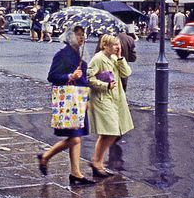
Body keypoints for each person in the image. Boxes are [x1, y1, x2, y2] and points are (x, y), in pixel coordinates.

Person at [36, 25, 95, 186]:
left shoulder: (81, 55)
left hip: (79, 99)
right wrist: (70, 75)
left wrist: (87, 98)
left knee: (76, 137)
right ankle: (52, 160)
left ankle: (71, 171)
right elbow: (52, 76)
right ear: (70, 36)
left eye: (83, 35)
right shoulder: (62, 55)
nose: (81, 38)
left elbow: (84, 79)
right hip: (69, 100)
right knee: (75, 138)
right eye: (78, 35)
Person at [87, 34, 134, 177]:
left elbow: (127, 73)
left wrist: (120, 58)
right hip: (103, 99)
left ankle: (98, 162)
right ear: (105, 45)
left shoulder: (114, 58)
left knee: (112, 132)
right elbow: (89, 78)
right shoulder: (98, 58)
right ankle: (96, 161)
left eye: (118, 44)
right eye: (114, 45)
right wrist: (105, 85)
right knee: (111, 131)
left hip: (115, 99)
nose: (117, 47)